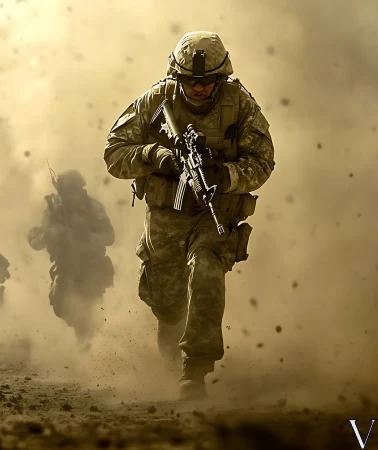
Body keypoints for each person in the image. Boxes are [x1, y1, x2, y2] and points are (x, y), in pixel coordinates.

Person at [103, 30, 275, 400]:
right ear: (177, 78)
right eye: (190, 82)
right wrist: (155, 155)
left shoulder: (240, 104)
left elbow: (263, 162)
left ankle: (194, 370)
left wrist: (225, 175)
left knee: (207, 270)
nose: (198, 88)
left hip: (215, 211)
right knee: (166, 300)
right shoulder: (155, 101)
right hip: (167, 213)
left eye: (207, 81)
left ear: (221, 77)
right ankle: (170, 329)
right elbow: (115, 154)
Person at [27, 169, 115, 343]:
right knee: (61, 304)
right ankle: (85, 339)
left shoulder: (93, 208)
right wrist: (49, 235)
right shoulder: (53, 212)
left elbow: (109, 237)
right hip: (66, 268)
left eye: (74, 189)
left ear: (81, 188)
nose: (71, 195)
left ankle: (94, 350)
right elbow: (35, 241)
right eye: (67, 190)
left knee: (90, 313)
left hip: (92, 268)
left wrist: (88, 236)